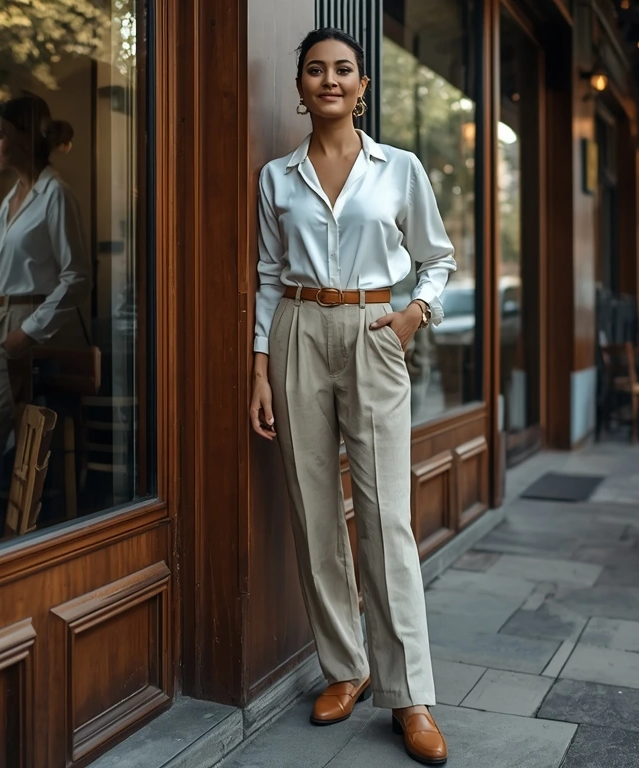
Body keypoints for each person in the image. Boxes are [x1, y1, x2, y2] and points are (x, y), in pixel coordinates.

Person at [246, 28, 456, 766]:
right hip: (300, 328)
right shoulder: (278, 177)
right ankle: (347, 669)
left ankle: (411, 695)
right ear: (299, 88)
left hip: (374, 330)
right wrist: (260, 368)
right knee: (312, 513)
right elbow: (270, 276)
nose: (329, 80)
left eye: (343, 70)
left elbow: (437, 259)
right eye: (315, 71)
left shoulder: (398, 168)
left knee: (385, 518)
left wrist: (409, 319)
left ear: (363, 86)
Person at [0, 93, 90, 458]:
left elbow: (77, 276)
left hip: (21, 323)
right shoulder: (10, 199)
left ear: (24, 136)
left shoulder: (55, 196)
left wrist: (27, 333)